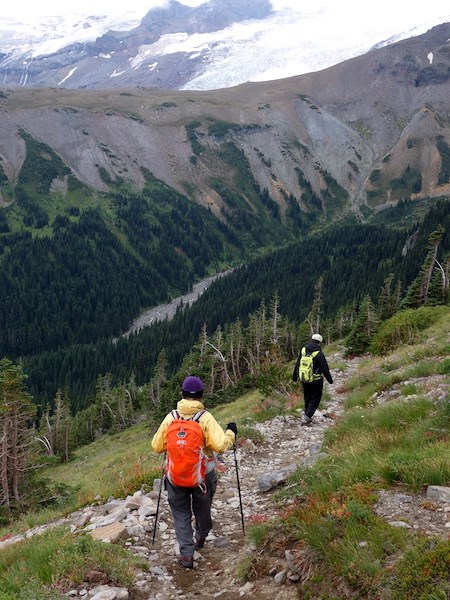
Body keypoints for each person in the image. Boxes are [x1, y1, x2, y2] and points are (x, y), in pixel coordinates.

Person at [151, 375, 237, 569]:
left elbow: (156, 446)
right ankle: (201, 535)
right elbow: (221, 445)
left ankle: (187, 555)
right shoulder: (205, 418)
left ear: (182, 394)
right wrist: (231, 432)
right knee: (202, 508)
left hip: (175, 476)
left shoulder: (171, 417)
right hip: (202, 476)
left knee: (181, 513)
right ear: (200, 396)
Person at [293, 333, 333, 426]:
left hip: (304, 379)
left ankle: (307, 415)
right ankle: (307, 417)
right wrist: (330, 380)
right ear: (319, 342)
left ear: (311, 340)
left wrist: (295, 377)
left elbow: (297, 364)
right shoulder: (319, 353)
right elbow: (324, 368)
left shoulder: (303, 350)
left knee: (307, 397)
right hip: (316, 380)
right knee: (315, 398)